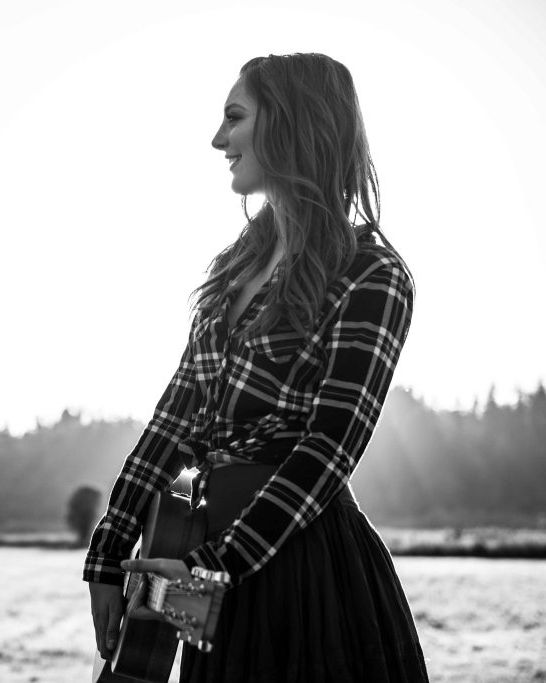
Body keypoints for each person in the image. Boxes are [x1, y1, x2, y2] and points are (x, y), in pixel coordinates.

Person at [85, 53, 430, 682]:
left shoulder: (372, 274)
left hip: (301, 567)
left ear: (290, 123)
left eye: (234, 117)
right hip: (198, 551)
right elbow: (174, 421)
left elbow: (329, 450)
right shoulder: (234, 267)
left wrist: (210, 569)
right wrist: (109, 554)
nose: (218, 140)